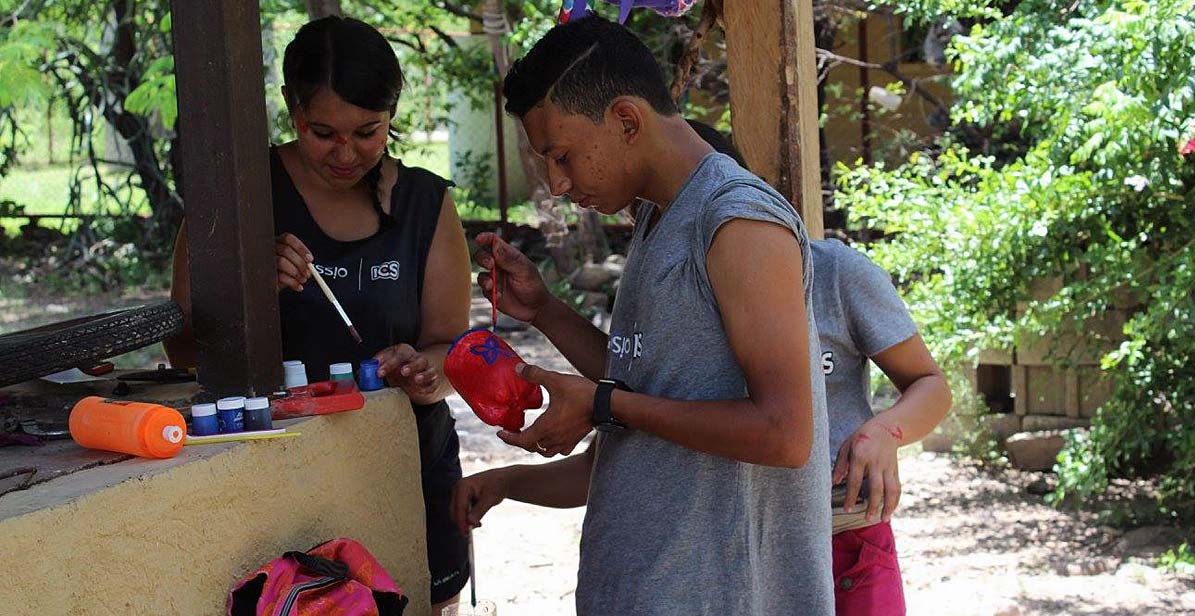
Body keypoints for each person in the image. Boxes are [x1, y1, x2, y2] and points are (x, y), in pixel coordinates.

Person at [456, 15, 834, 615]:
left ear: (627, 120)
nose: (556, 183)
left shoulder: (739, 223)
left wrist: (602, 404)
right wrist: (546, 311)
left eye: (563, 156)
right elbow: (651, 385)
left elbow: (785, 435)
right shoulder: (659, 217)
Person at [164, 16, 473, 612]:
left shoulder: (424, 205)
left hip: (406, 467)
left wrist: (423, 370)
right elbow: (182, 355)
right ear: (289, 108)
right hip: (277, 484)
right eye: (322, 131)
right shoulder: (239, 199)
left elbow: (449, 349)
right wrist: (248, 291)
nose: (346, 153)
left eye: (368, 132)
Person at [685, 120, 952, 614]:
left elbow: (931, 386)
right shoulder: (672, 297)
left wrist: (886, 431)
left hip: (844, 537)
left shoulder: (834, 274)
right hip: (725, 543)